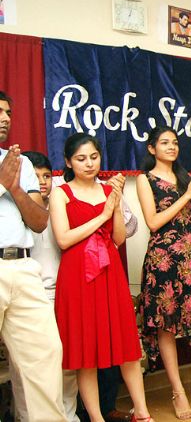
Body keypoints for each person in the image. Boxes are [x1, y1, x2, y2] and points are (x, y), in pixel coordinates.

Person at [49, 133, 152, 422]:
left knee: (126, 345)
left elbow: (118, 238)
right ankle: (96, 418)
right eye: (81, 159)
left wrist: (115, 204)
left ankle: (142, 412)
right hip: (77, 276)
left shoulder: (109, 191)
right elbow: (64, 239)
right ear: (68, 162)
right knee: (86, 354)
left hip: (109, 273)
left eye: (94, 157)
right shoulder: (60, 193)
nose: (89, 163)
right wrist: (102, 215)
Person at [136, 126, 191, 420]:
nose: (172, 147)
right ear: (152, 148)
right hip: (162, 260)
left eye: (174, 142)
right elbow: (153, 222)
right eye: (164, 143)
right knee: (166, 324)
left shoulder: (184, 178)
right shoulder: (145, 179)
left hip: (190, 257)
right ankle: (177, 391)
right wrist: (187, 194)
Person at [0, 92, 66, 421]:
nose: (5, 118)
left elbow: (39, 222)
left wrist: (14, 188)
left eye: (8, 112)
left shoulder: (21, 163)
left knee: (45, 353)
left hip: (24, 267)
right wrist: (2, 184)